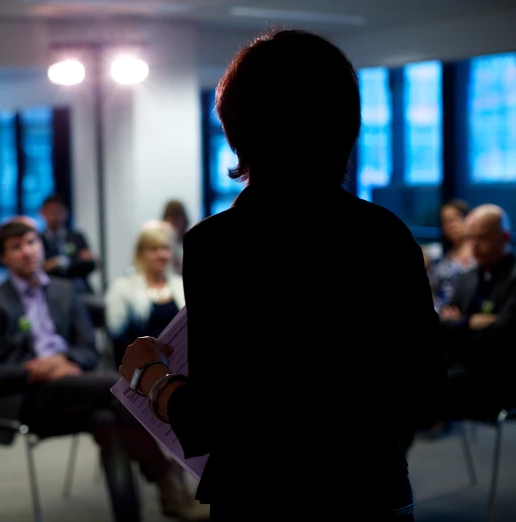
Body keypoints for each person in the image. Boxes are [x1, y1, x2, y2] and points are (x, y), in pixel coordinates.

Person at [119, 29, 445, 521]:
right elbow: (425, 388)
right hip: (372, 489)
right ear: (346, 122)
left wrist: (150, 377)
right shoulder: (386, 232)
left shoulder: (219, 245)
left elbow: (212, 420)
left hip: (263, 496)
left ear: (237, 127)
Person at [0, 220, 208, 522]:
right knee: (117, 386)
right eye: (16, 248)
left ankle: (137, 511)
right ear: (3, 258)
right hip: (27, 395)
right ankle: (167, 479)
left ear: (41, 247)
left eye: (31, 243)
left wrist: (64, 361)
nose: (27, 252)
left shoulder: (64, 289)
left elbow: (88, 347)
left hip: (74, 386)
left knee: (108, 419)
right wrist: (33, 370)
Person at [438, 205, 516, 419]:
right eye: (471, 238)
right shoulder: (468, 277)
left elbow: (502, 335)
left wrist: (459, 325)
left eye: (482, 238)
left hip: (497, 378)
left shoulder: (513, 278)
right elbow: (441, 327)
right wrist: (471, 322)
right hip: (460, 367)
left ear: (505, 237)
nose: (474, 247)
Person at [106, 220, 185, 367]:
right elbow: (117, 334)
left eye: (165, 248)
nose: (161, 254)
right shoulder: (123, 288)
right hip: (141, 368)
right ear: (141, 252)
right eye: (154, 249)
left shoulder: (181, 285)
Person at [39, 194, 96, 294]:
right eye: (51, 211)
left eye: (58, 210)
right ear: (42, 213)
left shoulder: (77, 237)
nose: (55, 215)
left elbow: (89, 264)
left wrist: (58, 263)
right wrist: (75, 260)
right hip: (49, 290)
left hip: (78, 288)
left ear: (66, 213)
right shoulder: (37, 240)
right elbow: (39, 269)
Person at [428, 200, 475, 312]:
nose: (450, 225)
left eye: (454, 219)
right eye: (445, 221)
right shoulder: (439, 255)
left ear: (467, 219)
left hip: (465, 313)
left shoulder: (480, 255)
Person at [162, 200, 190, 273]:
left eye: (177, 217)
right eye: (171, 217)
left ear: (184, 219)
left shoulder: (190, 241)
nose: (174, 222)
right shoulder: (160, 242)